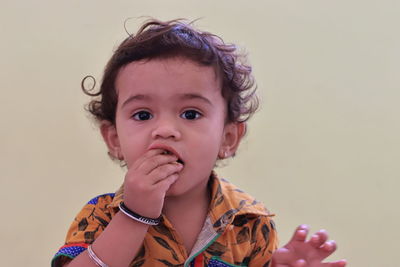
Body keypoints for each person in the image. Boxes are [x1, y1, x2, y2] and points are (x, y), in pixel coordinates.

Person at [52, 19, 347, 267]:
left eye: (190, 113)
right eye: (143, 114)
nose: (165, 130)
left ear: (228, 138)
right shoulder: (100, 216)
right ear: (114, 139)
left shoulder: (250, 222)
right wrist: (133, 216)